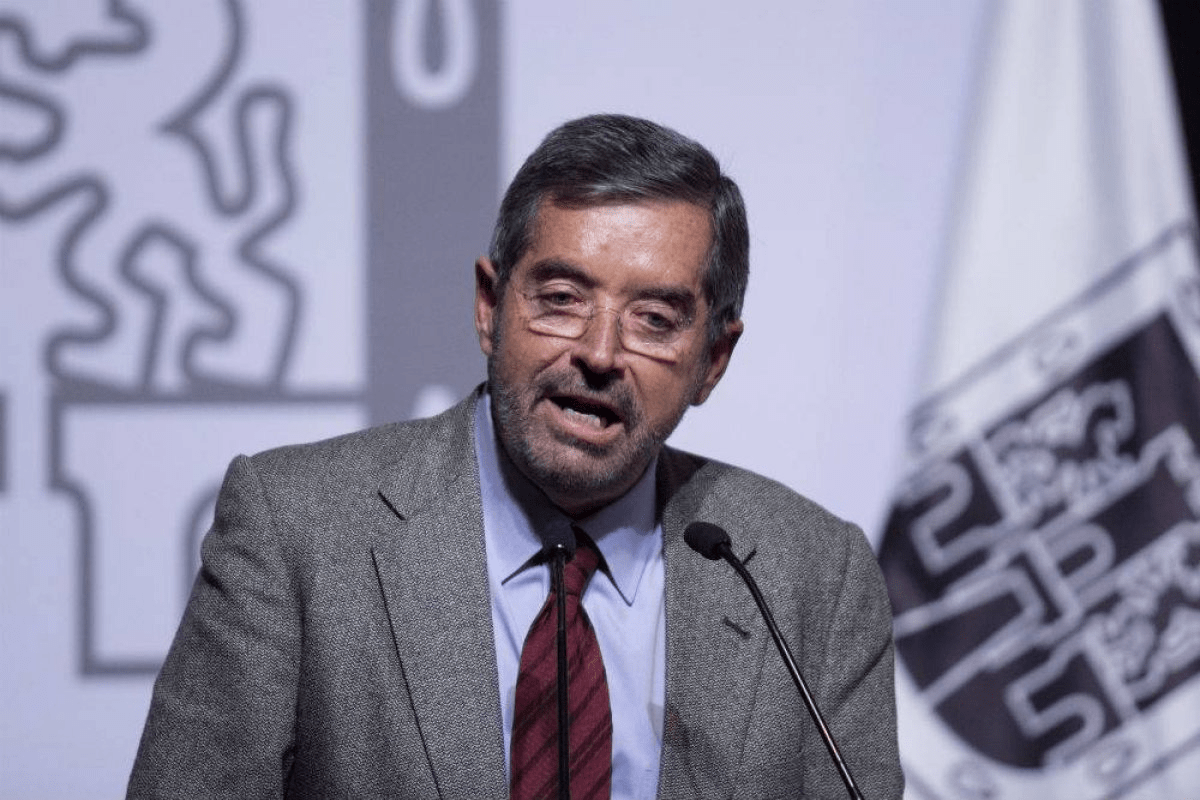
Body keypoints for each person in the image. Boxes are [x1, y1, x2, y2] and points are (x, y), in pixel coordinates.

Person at [127, 114, 903, 799]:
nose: (599, 353)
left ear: (713, 361)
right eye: (561, 299)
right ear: (489, 307)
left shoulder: (815, 577)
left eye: (654, 319)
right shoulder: (295, 527)